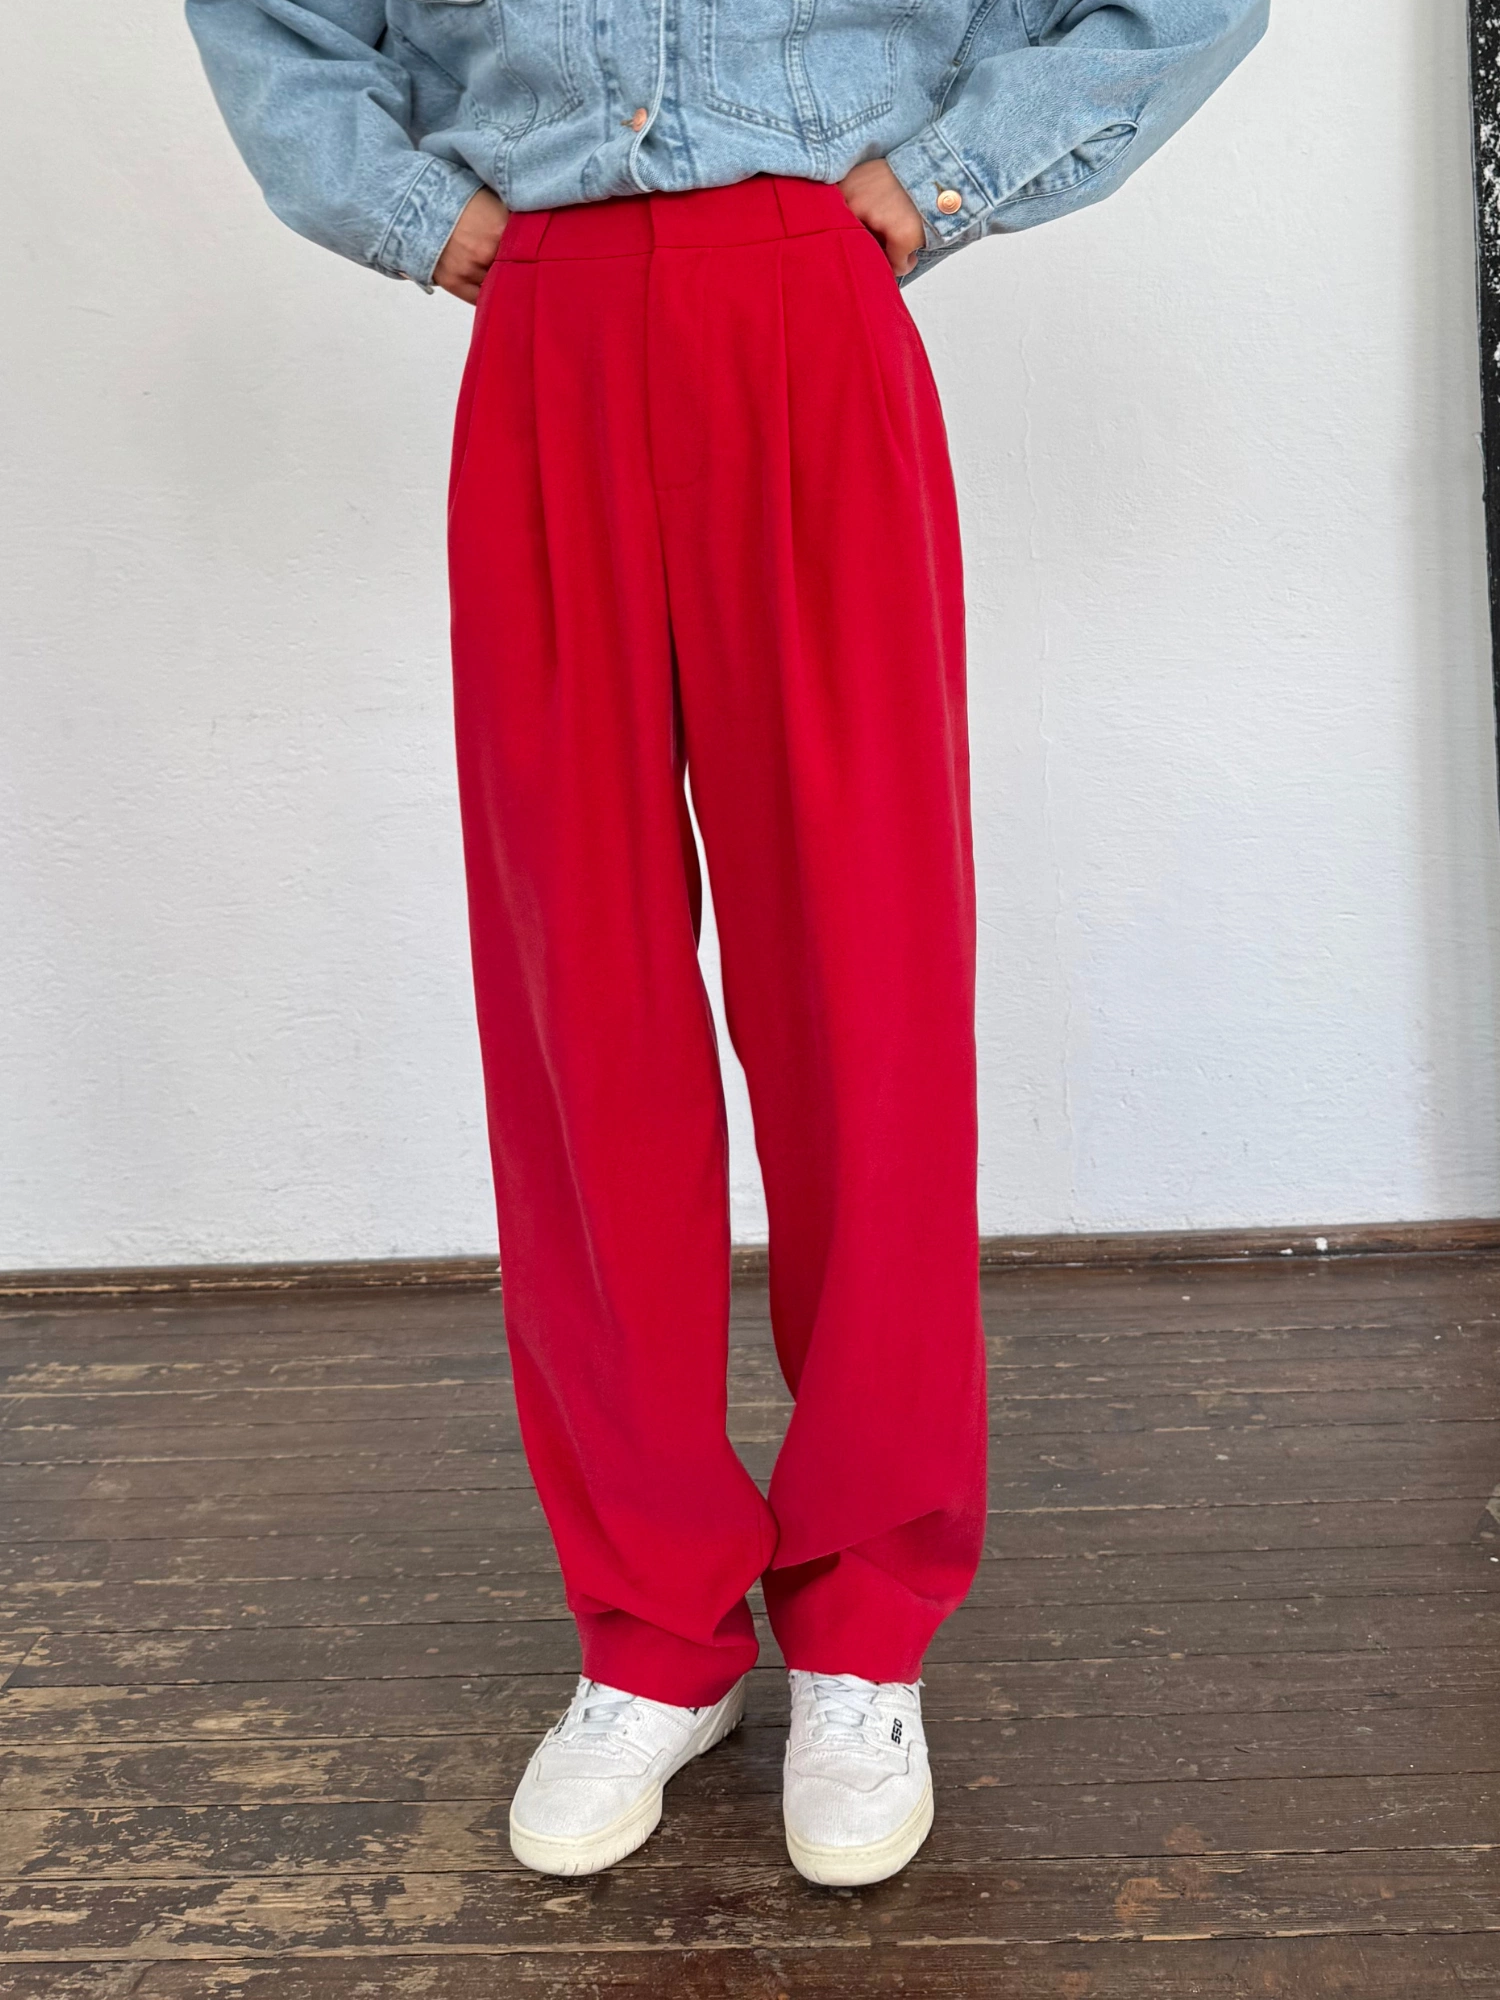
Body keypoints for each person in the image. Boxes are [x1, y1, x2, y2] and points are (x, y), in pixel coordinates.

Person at [186, 0, 1267, 1887]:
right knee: (579, 1005)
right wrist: (408, 207)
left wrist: (948, 178)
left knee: (865, 989)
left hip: (810, 294)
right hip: (549, 318)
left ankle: (865, 1623)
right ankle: (650, 1627)